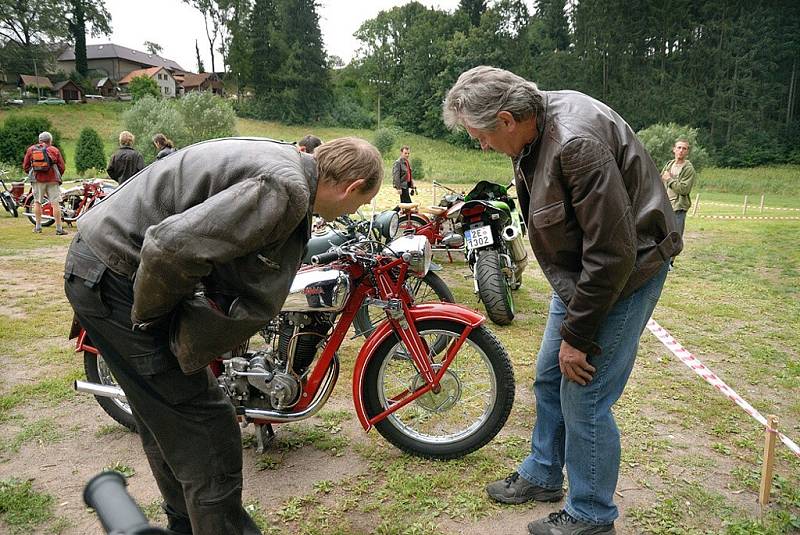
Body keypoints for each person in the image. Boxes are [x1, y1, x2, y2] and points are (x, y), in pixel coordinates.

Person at [63, 137, 382, 535]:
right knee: (206, 424)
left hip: (110, 264)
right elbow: (168, 247)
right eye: (360, 203)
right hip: (117, 274)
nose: (353, 212)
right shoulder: (285, 188)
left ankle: (185, 523)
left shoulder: (289, 166)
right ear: (351, 187)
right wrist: (149, 319)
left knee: (166, 415)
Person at [443, 66, 682, 535]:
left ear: (508, 118)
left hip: (624, 273)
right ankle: (543, 473)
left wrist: (578, 335)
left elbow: (612, 253)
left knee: (585, 393)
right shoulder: (535, 127)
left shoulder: (575, 143)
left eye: (482, 136)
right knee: (550, 375)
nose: (483, 146)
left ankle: (592, 515)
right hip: (580, 272)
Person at [23, 131, 67, 235]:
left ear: (39, 140)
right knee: (55, 204)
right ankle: (59, 229)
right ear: (50, 141)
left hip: (37, 180)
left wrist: (34, 173)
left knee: (37, 202)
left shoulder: (31, 149)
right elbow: (62, 166)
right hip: (53, 180)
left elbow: (25, 166)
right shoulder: (54, 150)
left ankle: (38, 228)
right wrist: (57, 175)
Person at [660, 138, 696, 265]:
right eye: (679, 147)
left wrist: (669, 179)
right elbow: (661, 181)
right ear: (674, 149)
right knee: (663, 234)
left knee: (675, 235)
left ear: (687, 152)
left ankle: (670, 263)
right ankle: (662, 260)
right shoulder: (669, 165)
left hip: (678, 207)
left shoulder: (688, 169)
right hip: (665, 205)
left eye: (684, 148)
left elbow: (684, 189)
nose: (681, 151)